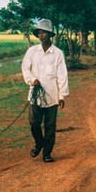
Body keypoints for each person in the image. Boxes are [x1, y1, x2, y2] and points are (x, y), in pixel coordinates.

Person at [21, 18, 69, 163]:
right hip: (36, 95)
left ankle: (47, 153)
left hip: (52, 96)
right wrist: (32, 80)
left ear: (50, 35)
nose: (41, 35)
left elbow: (62, 75)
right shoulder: (32, 52)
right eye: (40, 33)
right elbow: (25, 68)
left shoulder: (58, 54)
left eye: (44, 33)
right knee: (34, 123)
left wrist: (62, 96)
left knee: (50, 126)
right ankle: (39, 143)